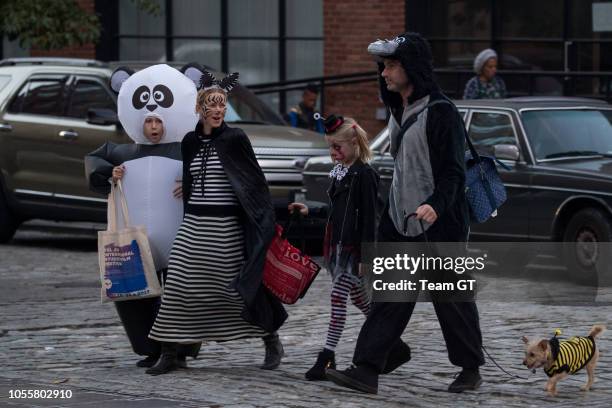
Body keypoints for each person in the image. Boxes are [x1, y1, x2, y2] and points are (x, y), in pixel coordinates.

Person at [326, 32, 485, 394]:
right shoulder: (400, 110)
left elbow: (453, 174)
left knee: (452, 301)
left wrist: (434, 205)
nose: (384, 73)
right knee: (390, 298)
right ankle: (367, 368)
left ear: (412, 67)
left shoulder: (441, 112)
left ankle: (471, 367)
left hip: (440, 226)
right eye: (383, 66)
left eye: (392, 65)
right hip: (401, 222)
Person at [146, 63, 287, 375]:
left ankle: (269, 336)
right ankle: (171, 351)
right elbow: (191, 176)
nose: (218, 110)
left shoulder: (236, 139)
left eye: (222, 104)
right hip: (194, 224)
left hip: (226, 228)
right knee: (179, 285)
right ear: (199, 108)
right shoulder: (190, 142)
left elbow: (253, 183)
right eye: (212, 104)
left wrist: (264, 223)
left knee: (234, 289)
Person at [85, 64, 202, 369]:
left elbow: (211, 174)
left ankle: (176, 350)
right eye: (148, 120)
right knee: (136, 293)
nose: (153, 126)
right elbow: (95, 160)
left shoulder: (188, 151)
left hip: (180, 237)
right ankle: (151, 347)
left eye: (158, 120)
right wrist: (109, 173)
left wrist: (189, 182)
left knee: (180, 292)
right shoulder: (123, 153)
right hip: (137, 238)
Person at [288, 115, 379, 381]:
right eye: (330, 147)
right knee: (360, 300)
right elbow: (335, 209)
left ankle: (326, 355)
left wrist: (366, 255)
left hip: (353, 250)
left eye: (338, 147)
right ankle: (390, 341)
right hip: (337, 247)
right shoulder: (340, 171)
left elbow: (369, 219)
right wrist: (310, 209)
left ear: (354, 142)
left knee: (339, 299)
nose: (333, 152)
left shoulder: (365, 174)